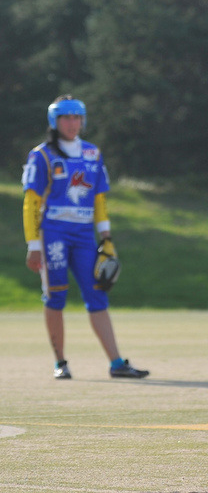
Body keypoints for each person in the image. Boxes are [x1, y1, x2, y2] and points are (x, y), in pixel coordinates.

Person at [22, 96, 149, 380]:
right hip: (52, 234)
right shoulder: (41, 155)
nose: (72, 123)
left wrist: (106, 237)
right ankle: (60, 362)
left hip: (83, 235)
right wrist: (33, 245)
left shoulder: (92, 153)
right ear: (55, 121)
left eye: (77, 117)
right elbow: (31, 202)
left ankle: (117, 363)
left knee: (97, 295)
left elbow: (99, 199)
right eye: (66, 118)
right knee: (56, 296)